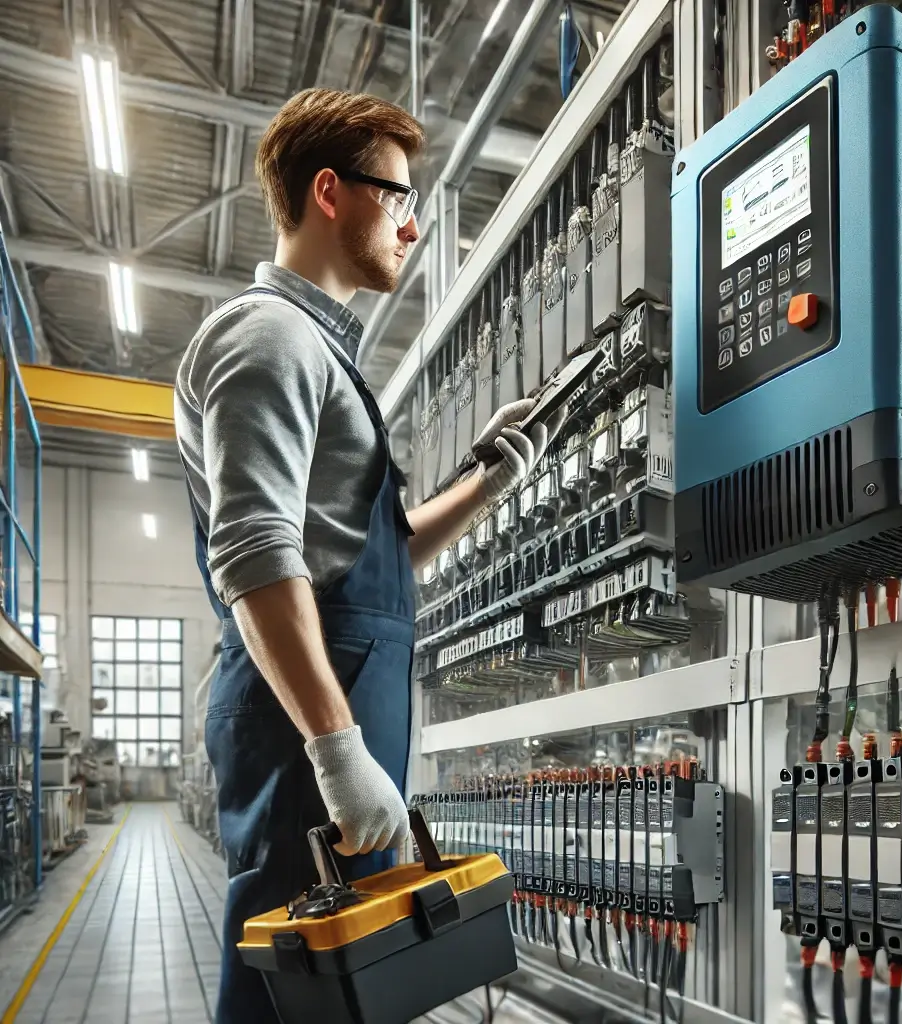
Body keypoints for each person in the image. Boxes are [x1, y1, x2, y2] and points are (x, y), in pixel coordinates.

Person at [174, 88, 564, 1023]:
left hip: (339, 697)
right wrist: (335, 748)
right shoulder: (267, 338)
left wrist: (488, 479)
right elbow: (258, 554)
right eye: (397, 196)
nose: (415, 221)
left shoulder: (318, 351)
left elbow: (364, 551)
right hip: (303, 717)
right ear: (329, 193)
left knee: (338, 987)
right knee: (289, 981)